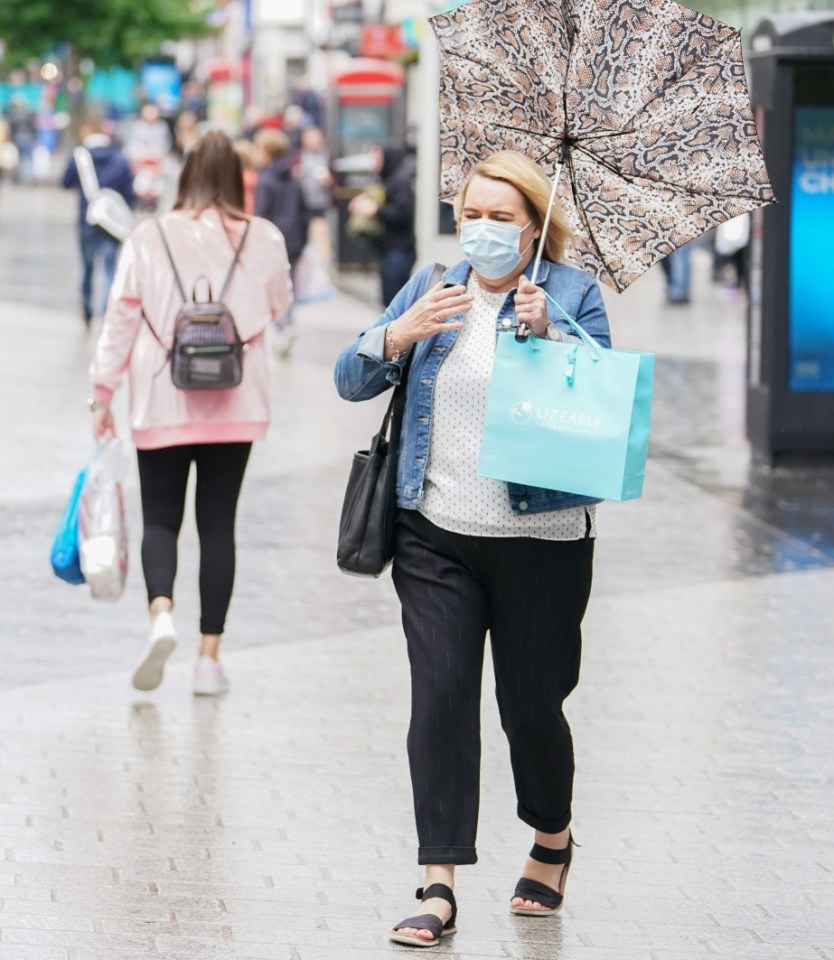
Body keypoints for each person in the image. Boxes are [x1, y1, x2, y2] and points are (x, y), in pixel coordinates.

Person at [334, 150, 611, 947]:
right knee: (443, 697)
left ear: (533, 226)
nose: (482, 230)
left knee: (532, 708)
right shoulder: (433, 287)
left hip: (545, 539)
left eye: (500, 217)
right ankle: (439, 880)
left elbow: (606, 395)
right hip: (435, 535)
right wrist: (396, 334)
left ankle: (551, 838)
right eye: (470, 214)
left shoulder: (573, 293)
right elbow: (347, 380)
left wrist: (553, 334)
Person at [88, 131, 292, 696]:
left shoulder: (149, 236)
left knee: (160, 519)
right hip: (237, 402)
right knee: (218, 524)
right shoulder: (265, 238)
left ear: (185, 176)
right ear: (237, 179)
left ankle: (160, 617)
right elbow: (280, 305)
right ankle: (209, 660)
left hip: (161, 400)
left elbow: (121, 319)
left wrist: (102, 394)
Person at [61, 116, 135, 326]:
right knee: (110, 267)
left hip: (87, 219)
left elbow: (65, 182)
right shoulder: (120, 158)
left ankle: (86, 309)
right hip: (112, 223)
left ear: (86, 131)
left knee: (87, 267)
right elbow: (130, 193)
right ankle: (107, 311)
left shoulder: (80, 156)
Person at [254, 129, 309, 356]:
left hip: (273, 243)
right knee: (288, 287)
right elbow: (305, 213)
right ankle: (286, 326)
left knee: (271, 288)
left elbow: (261, 215)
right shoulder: (294, 180)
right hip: (294, 242)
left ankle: (283, 326)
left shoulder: (265, 180)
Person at [347, 142, 416, 308]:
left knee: (394, 304)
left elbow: (402, 214)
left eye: (377, 156)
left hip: (399, 250)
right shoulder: (387, 180)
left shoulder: (400, 182)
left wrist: (375, 209)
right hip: (388, 249)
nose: (374, 161)